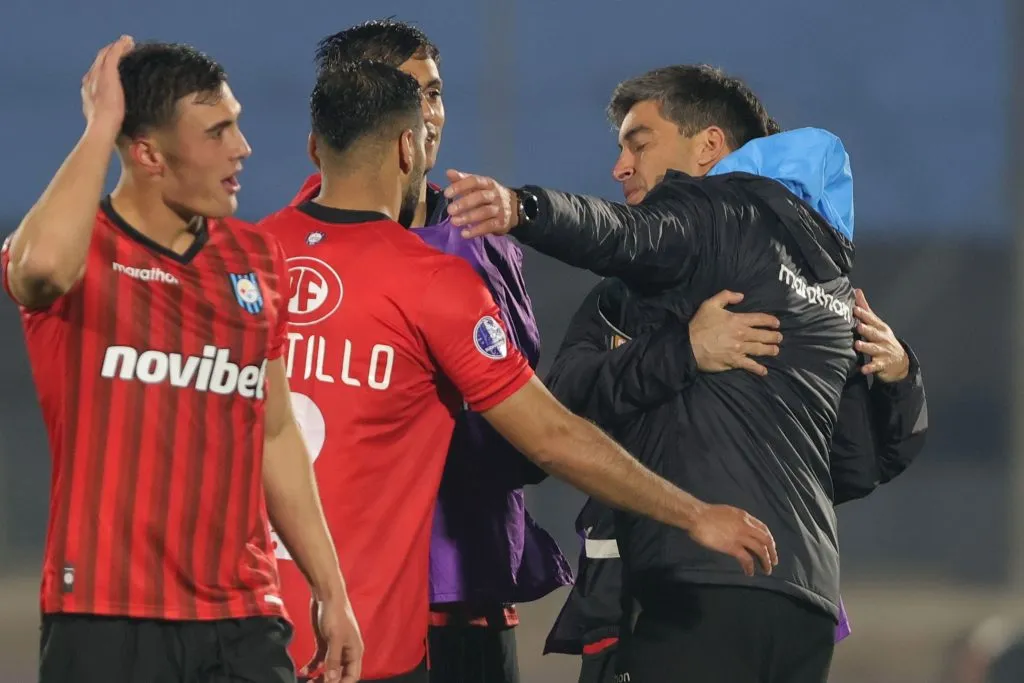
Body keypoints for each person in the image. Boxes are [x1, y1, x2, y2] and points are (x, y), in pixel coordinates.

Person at [258, 60, 778, 683]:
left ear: (316, 145)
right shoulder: (434, 283)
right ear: (408, 146)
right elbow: (550, 438)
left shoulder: (237, 263)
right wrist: (695, 515)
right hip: (368, 645)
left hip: (240, 636)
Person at [444, 64, 925, 682]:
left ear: (709, 147)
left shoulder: (698, 237)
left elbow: (612, 244)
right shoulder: (823, 275)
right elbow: (853, 466)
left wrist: (524, 207)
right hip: (801, 601)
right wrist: (684, 351)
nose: (620, 166)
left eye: (638, 143)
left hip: (679, 592)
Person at [1, 38, 362, 683]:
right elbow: (40, 272)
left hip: (243, 619)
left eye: (237, 124)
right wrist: (101, 125)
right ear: (148, 154)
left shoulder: (256, 260)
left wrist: (330, 588)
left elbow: (275, 432)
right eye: (218, 131)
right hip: (106, 617)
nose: (242, 148)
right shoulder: (76, 248)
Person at [285, 21, 572, 683]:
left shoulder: (484, 241)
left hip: (465, 590)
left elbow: (523, 423)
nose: (431, 115)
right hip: (328, 601)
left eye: (437, 93)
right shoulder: (278, 252)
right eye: (415, 94)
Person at [543, 281, 926, 682]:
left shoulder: (802, 303)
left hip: (768, 600)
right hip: (649, 594)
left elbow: (853, 467)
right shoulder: (622, 295)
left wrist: (898, 378)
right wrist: (683, 349)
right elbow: (558, 408)